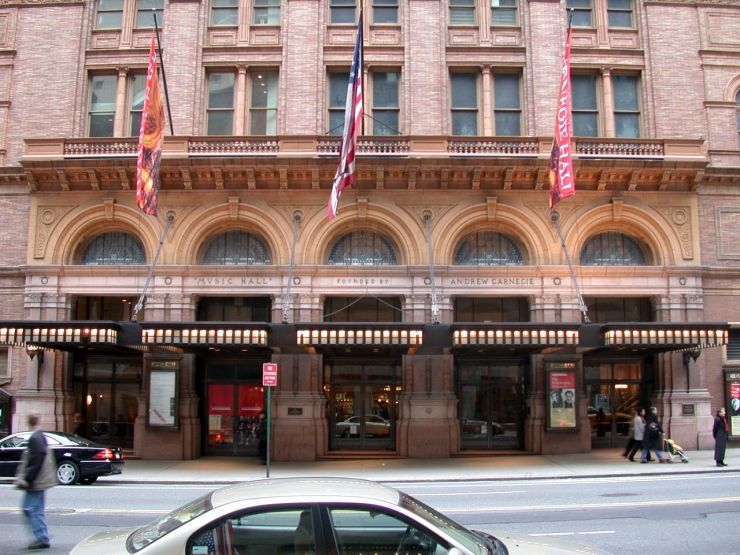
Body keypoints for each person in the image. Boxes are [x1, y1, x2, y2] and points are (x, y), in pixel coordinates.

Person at [14, 414, 58, 550]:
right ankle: (41, 536)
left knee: (32, 509)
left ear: (27, 421)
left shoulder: (35, 437)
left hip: (35, 481)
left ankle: (41, 538)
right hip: (38, 480)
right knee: (32, 509)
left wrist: (29, 478)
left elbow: (37, 458)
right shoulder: (38, 436)